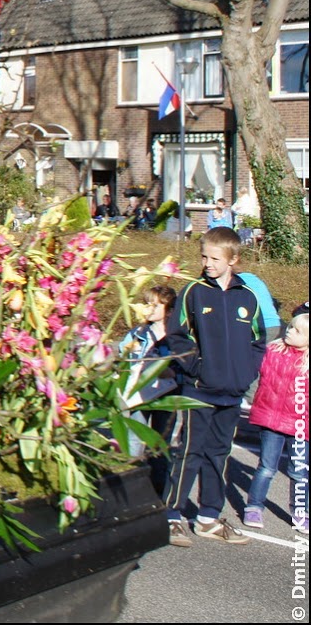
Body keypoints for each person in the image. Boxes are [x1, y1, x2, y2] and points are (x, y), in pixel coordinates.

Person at [163, 226, 267, 546]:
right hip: (199, 390)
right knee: (190, 451)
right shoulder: (193, 291)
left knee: (218, 454)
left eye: (214, 258)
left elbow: (259, 341)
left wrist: (245, 373)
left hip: (231, 393)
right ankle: (171, 516)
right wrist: (197, 369)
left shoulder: (247, 297)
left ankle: (208, 517)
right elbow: (177, 336)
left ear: (233, 259)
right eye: (204, 256)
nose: (207, 263)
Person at [241, 312, 308, 533]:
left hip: (300, 425)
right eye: (290, 326)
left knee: (299, 472)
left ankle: (300, 513)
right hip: (271, 420)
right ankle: (254, 506)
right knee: (267, 467)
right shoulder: (272, 350)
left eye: (297, 330)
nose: (289, 331)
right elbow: (251, 371)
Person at [119, 285, 179, 484]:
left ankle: (158, 493)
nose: (148, 308)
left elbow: (180, 369)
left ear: (169, 310)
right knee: (134, 442)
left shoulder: (176, 338)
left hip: (166, 396)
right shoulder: (138, 333)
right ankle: (129, 486)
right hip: (139, 395)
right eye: (146, 304)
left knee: (160, 447)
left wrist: (163, 368)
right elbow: (122, 355)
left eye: (155, 305)